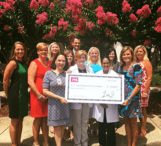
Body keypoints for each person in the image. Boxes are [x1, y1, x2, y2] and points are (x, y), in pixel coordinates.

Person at [3, 41, 28, 146]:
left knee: (20, 120)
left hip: (23, 95)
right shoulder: (13, 63)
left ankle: (18, 142)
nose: (20, 51)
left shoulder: (24, 63)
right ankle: (14, 144)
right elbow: (5, 80)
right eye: (18, 49)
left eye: (22, 49)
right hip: (15, 95)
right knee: (14, 121)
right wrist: (7, 94)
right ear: (14, 50)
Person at [43, 53, 70, 146]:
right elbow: (45, 91)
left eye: (63, 61)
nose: (61, 62)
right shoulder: (49, 73)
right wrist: (58, 97)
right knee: (57, 127)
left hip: (65, 104)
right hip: (54, 104)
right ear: (55, 61)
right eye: (59, 60)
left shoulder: (67, 74)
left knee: (62, 126)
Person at [118, 46, 143, 146]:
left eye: (128, 54)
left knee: (133, 123)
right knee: (126, 123)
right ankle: (129, 144)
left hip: (133, 100)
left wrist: (128, 99)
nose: (126, 56)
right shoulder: (120, 67)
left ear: (132, 55)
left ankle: (133, 144)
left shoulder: (136, 66)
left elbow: (138, 85)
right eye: (124, 54)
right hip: (122, 100)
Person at [92, 55, 119, 146]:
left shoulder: (114, 75)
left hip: (111, 105)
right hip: (100, 105)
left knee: (111, 125)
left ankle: (111, 143)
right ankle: (102, 143)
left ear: (110, 64)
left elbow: (117, 90)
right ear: (101, 64)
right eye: (103, 63)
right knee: (101, 125)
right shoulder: (97, 75)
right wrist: (100, 101)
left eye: (107, 63)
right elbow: (94, 89)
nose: (105, 65)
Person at [28, 43, 51, 146]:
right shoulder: (34, 63)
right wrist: (39, 95)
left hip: (48, 96)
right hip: (37, 96)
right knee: (38, 118)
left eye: (45, 50)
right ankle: (36, 141)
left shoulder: (50, 63)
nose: (44, 52)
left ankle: (46, 141)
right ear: (37, 51)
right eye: (41, 50)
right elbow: (30, 81)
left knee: (46, 118)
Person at [69, 50, 93, 146]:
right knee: (77, 122)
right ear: (76, 59)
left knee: (85, 121)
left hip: (86, 100)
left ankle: (84, 141)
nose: (82, 59)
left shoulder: (89, 69)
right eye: (80, 57)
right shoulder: (71, 70)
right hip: (76, 101)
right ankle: (77, 142)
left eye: (83, 57)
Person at [134, 45, 153, 139]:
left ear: (144, 52)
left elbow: (149, 77)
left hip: (143, 88)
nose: (139, 53)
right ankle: (141, 126)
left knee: (143, 108)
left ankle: (143, 128)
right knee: (138, 108)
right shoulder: (136, 62)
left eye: (141, 51)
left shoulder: (146, 62)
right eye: (137, 51)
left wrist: (145, 91)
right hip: (136, 88)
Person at [85, 47, 103, 137]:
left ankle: (98, 129)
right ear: (89, 54)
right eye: (92, 53)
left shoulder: (101, 65)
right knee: (90, 112)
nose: (94, 55)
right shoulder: (85, 64)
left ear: (98, 54)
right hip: (89, 92)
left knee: (99, 111)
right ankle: (91, 128)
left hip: (99, 91)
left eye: (96, 53)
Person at [47, 42, 60, 134]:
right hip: (49, 82)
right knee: (51, 105)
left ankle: (57, 123)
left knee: (57, 105)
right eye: (53, 47)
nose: (55, 49)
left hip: (58, 83)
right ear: (50, 49)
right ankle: (51, 124)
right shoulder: (47, 59)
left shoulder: (60, 58)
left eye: (56, 47)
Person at [106, 47, 120, 130]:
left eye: (113, 53)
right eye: (110, 53)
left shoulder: (118, 64)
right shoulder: (104, 63)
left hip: (115, 87)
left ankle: (115, 123)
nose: (111, 55)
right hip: (107, 87)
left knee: (115, 106)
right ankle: (109, 122)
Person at [63, 49, 75, 142]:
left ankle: (71, 130)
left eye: (71, 56)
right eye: (67, 56)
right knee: (64, 113)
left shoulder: (75, 67)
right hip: (63, 93)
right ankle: (64, 131)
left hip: (73, 93)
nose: (69, 58)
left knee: (71, 113)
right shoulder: (62, 66)